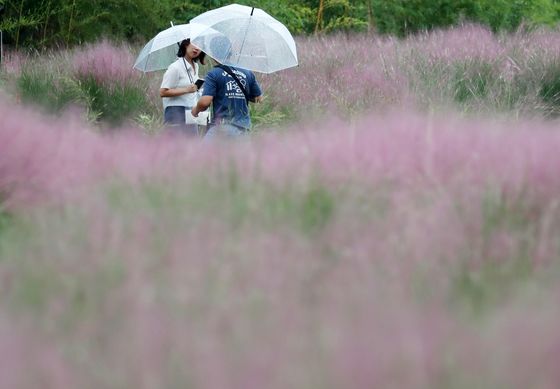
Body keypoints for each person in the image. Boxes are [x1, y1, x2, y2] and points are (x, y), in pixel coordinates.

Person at [191, 36, 263, 139]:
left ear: (212, 54)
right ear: (230, 51)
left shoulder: (214, 74)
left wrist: (195, 110)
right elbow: (258, 98)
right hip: (243, 130)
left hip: (221, 128)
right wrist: (240, 92)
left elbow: (204, 102)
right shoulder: (247, 72)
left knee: (203, 155)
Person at [160, 39, 206, 136]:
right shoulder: (175, 67)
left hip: (191, 110)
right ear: (185, 45)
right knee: (176, 147)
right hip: (176, 111)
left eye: (200, 46)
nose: (197, 48)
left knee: (192, 147)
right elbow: (163, 92)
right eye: (195, 44)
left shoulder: (195, 66)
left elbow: (192, 90)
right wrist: (187, 90)